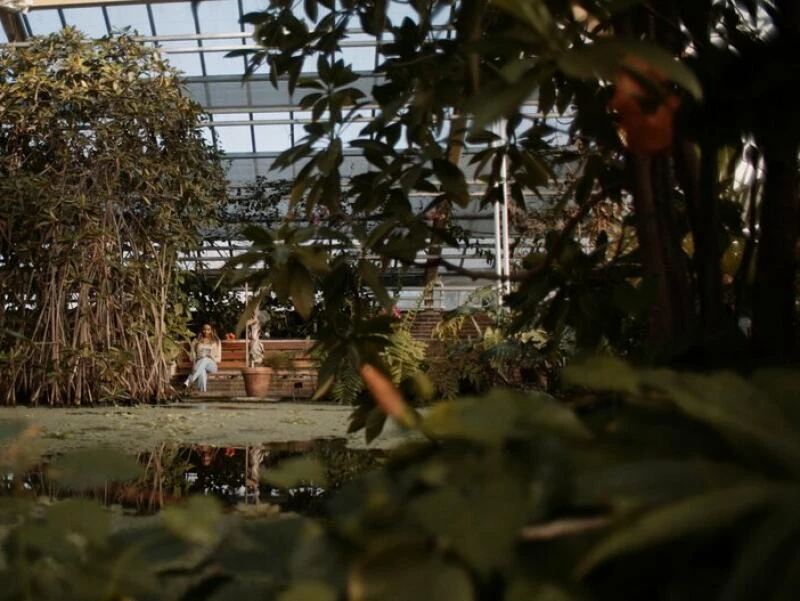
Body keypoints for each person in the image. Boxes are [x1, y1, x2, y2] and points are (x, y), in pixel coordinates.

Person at [184, 324, 221, 391]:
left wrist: (211, 357)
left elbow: (219, 359)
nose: (206, 331)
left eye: (208, 330)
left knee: (205, 359)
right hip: (199, 363)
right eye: (204, 329)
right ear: (201, 330)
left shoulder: (216, 341)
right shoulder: (196, 340)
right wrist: (196, 359)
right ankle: (203, 391)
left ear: (211, 330)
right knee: (202, 370)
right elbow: (191, 357)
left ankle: (189, 380)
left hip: (212, 365)